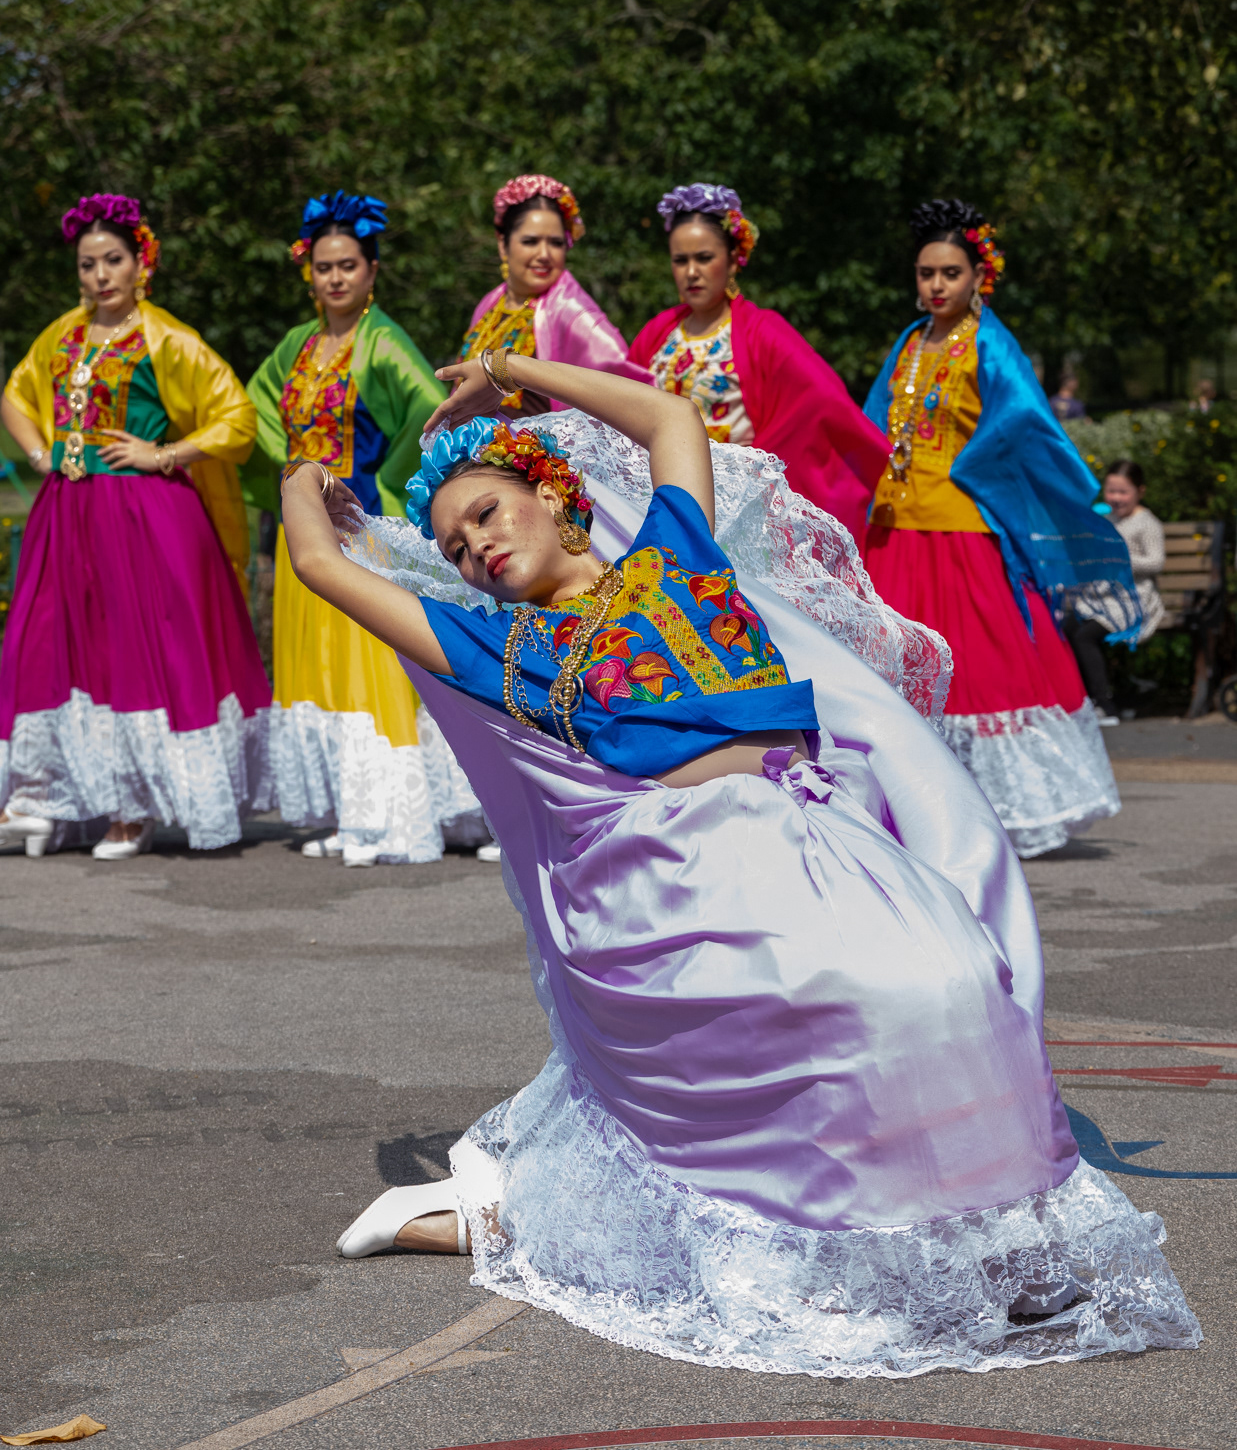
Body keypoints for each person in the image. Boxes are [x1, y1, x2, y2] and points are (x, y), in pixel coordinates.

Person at [280, 347, 1198, 1378]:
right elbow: (323, 567)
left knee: (958, 994)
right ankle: (568, 1230)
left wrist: (511, 368)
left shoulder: (676, 554)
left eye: (487, 514)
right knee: (860, 1008)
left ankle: (995, 1254)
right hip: (687, 879)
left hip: (819, 838)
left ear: (551, 493)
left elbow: (670, 416)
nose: (473, 549)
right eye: (452, 546)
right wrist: (300, 476)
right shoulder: (501, 649)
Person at [0, 192, 271, 859]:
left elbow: (237, 417)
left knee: (134, 649)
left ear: (143, 263)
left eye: (112, 260)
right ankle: (45, 797)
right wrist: (37, 453)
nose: (99, 275)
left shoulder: (166, 338)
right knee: (52, 642)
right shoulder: (64, 334)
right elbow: (21, 396)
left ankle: (132, 808)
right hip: (67, 511)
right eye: (87, 265)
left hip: (142, 514)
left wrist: (163, 454)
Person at [863, 199, 1138, 858]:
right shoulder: (907, 342)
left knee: (980, 672)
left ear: (977, 276)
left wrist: (974, 466)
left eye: (949, 273)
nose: (934, 286)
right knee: (895, 672)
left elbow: (1024, 423)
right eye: (925, 272)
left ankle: (998, 810)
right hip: (895, 528)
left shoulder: (989, 342)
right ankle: (907, 810)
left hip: (960, 529)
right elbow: (872, 424)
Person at [243, 191, 488, 866]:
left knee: (370, 659)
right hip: (309, 519)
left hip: (356, 517)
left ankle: (395, 815)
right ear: (309, 272)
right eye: (324, 266)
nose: (336, 278)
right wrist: (294, 473)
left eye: (349, 264)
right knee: (321, 662)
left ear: (372, 271)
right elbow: (255, 409)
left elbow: (427, 408)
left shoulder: (382, 341)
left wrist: (380, 484)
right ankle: (349, 807)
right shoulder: (296, 346)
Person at [628, 184, 888, 547]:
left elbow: (821, 399)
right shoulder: (658, 332)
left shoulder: (761, 331)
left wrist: (758, 476)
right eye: (680, 260)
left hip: (731, 506)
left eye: (704, 258)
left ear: (734, 259)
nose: (691, 272)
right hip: (657, 498)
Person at [459, 173, 648, 414]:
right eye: (531, 241)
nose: (544, 254)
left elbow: (629, 394)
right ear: (502, 244)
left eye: (556, 243)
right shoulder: (491, 302)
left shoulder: (574, 313)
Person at [1065, 459, 1166, 725]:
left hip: (1133, 601)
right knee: (1065, 628)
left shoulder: (1147, 523)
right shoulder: (1104, 520)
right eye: (1111, 491)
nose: (1116, 498)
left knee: (1085, 636)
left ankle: (1106, 705)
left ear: (1140, 492)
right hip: (1101, 597)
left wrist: (1119, 559)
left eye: (1123, 492)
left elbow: (1156, 562)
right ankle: (1075, 698)